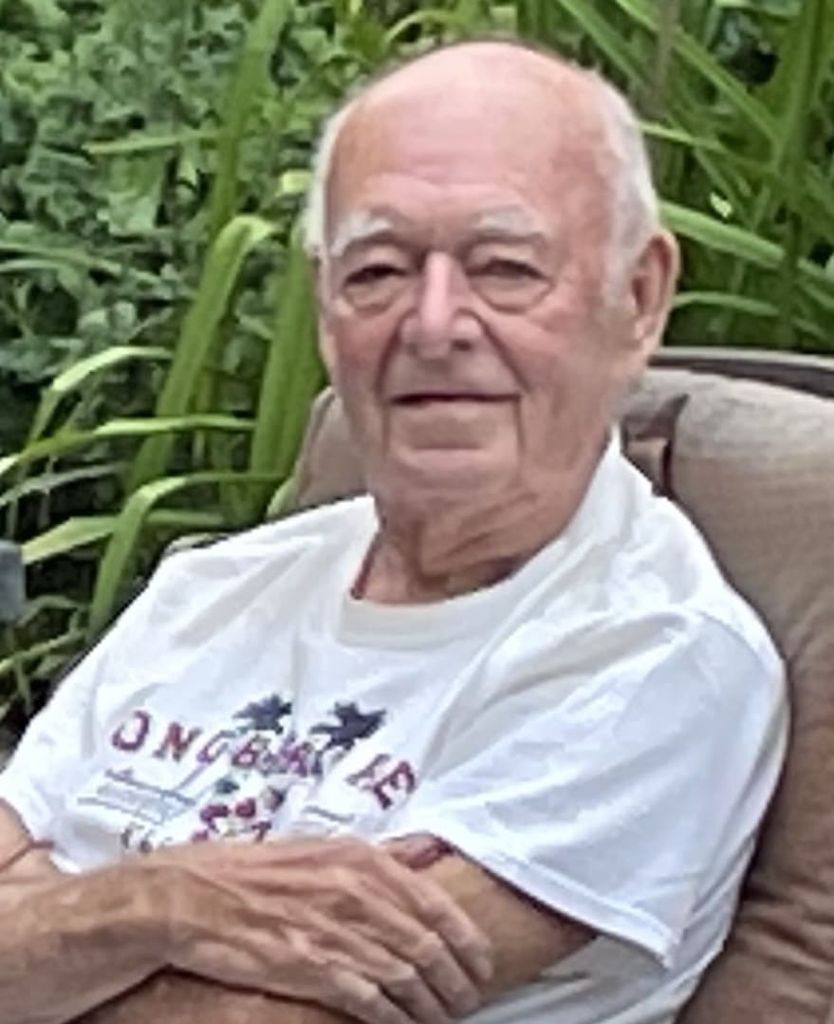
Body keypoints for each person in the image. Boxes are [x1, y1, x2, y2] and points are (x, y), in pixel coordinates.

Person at [0, 39, 787, 1024]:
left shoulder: (649, 656)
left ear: (637, 297)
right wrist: (155, 906)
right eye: (378, 271)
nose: (434, 324)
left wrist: (55, 928)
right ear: (327, 310)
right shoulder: (218, 587)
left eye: (505, 268)